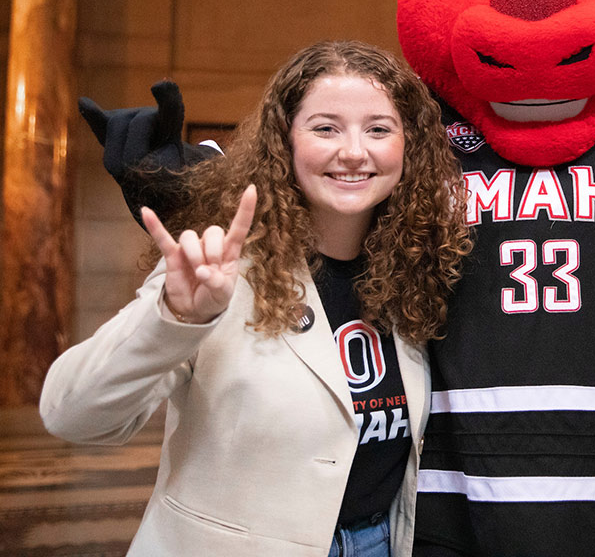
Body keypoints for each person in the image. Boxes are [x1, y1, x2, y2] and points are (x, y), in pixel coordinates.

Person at [40, 41, 471, 557]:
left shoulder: (416, 270)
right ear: (284, 142)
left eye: (378, 129)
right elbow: (72, 415)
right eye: (325, 128)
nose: (354, 151)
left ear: (409, 146)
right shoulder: (219, 265)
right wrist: (176, 320)